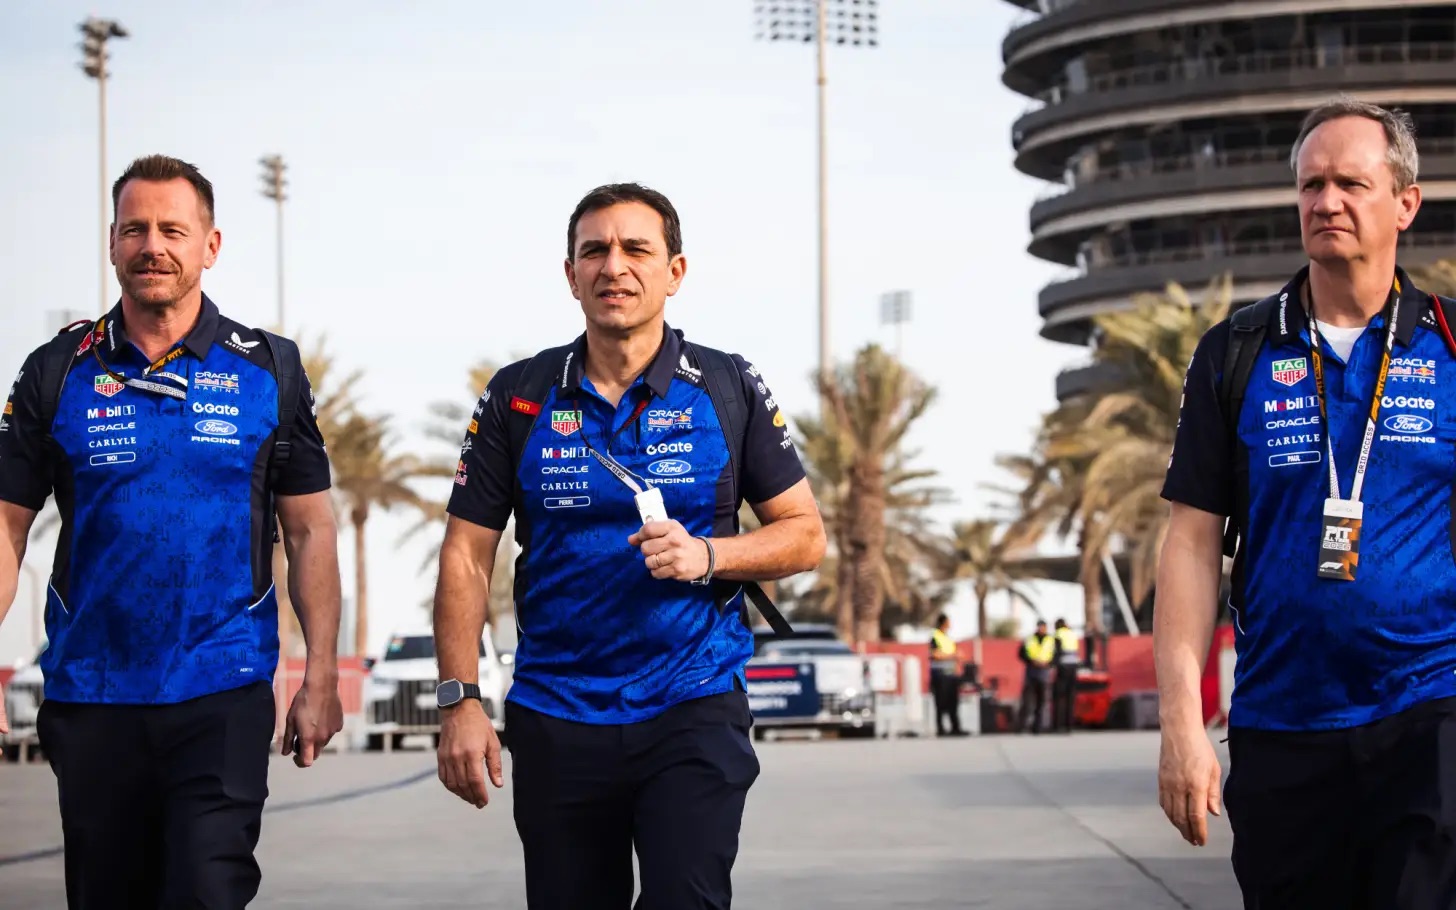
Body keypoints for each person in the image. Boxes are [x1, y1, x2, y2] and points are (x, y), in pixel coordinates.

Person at [431, 182, 827, 909]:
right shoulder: (519, 395)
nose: (614, 266)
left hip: (693, 702)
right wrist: (460, 699)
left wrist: (709, 555)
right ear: (571, 274)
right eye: (595, 251)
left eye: (636, 249)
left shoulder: (727, 385)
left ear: (675, 272)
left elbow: (805, 534)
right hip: (556, 711)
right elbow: (464, 553)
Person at [0, 154, 343, 909]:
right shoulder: (56, 372)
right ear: (112, 243)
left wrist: (319, 673)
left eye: (172, 230)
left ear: (209, 246)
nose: (152, 245)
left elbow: (311, 530)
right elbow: (6, 525)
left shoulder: (270, 370)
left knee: (206, 890)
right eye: (135, 229)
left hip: (223, 689)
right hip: (93, 695)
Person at [1155, 97, 1456, 907]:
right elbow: (1190, 543)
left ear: (1405, 203)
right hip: (1282, 725)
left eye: (1352, 184)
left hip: (1431, 713)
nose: (1327, 202)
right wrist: (1181, 725)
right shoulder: (1236, 351)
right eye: (1312, 185)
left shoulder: (1451, 345)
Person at [928, 613, 964, 736]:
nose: (950, 624)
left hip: (951, 675)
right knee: (941, 703)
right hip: (940, 675)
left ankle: (955, 728)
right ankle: (941, 728)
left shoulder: (948, 638)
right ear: (943, 623)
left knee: (953, 703)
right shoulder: (935, 637)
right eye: (948, 621)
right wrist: (953, 656)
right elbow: (935, 654)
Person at [1017, 620, 1054, 734]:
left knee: (1041, 701)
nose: (1041, 629)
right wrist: (1031, 661)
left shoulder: (1051, 640)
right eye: (1040, 627)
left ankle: (1037, 727)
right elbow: (1021, 654)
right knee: (1027, 700)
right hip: (1031, 671)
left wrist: (1048, 663)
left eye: (1043, 627)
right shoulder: (1030, 639)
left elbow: (1055, 655)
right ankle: (1021, 726)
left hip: (1044, 672)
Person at [1050, 618, 1081, 734]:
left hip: (1063, 666)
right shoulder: (1072, 634)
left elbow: (1057, 651)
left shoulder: (1058, 634)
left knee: (1058, 696)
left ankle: (1057, 725)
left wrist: (1052, 664)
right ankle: (1069, 726)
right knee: (1070, 696)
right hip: (1073, 666)